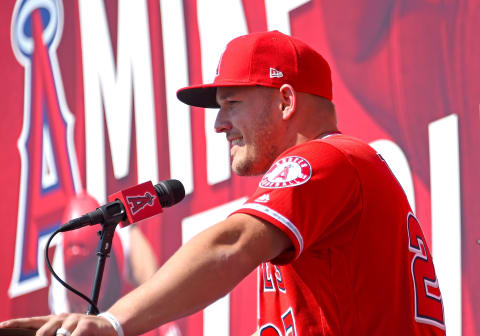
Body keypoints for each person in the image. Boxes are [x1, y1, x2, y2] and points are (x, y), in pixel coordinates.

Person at [0, 30, 446, 335]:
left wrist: (114, 323)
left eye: (231, 102)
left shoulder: (324, 159)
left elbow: (230, 244)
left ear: (286, 100)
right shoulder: (344, 173)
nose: (218, 125)